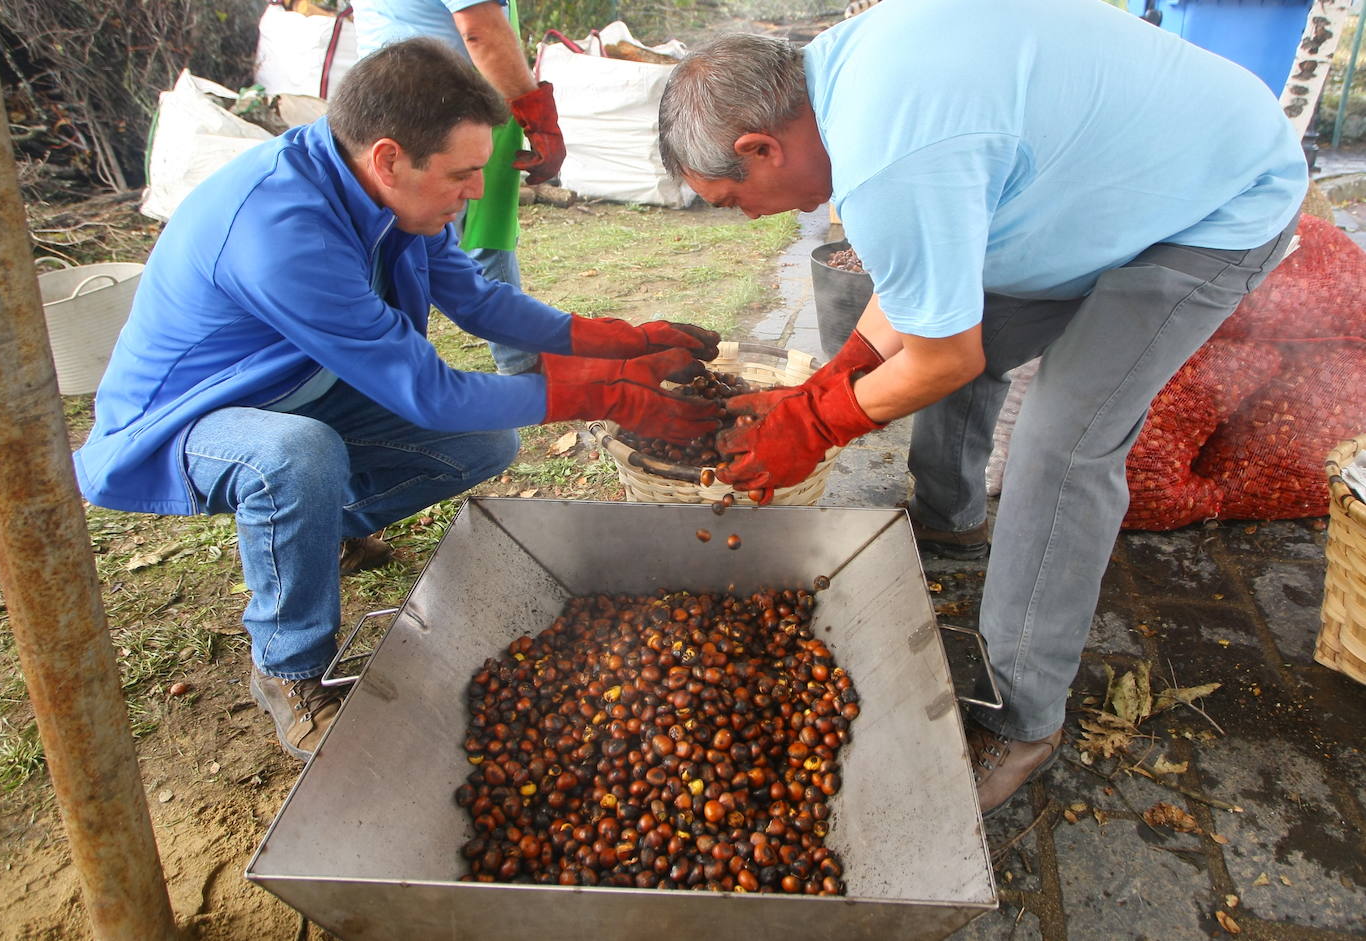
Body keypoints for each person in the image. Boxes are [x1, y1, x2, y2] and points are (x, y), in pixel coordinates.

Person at [658, 0, 1306, 815]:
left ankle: (1024, 717)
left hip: (1217, 202)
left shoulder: (889, 153)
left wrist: (819, 426)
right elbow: (922, 290)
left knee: (1061, 446)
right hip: (1111, 178)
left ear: (761, 147)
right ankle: (950, 517)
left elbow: (943, 354)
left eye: (731, 198)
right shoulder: (839, 78)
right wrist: (828, 385)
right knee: (965, 326)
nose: (749, 217)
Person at [74, 38, 720, 761]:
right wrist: (600, 395)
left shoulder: (387, 194)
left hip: (299, 387)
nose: (476, 192)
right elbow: (431, 393)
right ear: (389, 158)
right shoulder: (281, 231)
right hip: (190, 419)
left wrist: (619, 340)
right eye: (463, 174)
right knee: (295, 457)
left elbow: (479, 301)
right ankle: (287, 670)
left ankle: (316, 531)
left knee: (488, 442)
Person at [355, 0, 564, 376]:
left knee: (426, 247)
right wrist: (538, 116)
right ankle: (393, 379)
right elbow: (479, 29)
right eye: (465, 176)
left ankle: (519, 363)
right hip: (431, 117)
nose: (476, 188)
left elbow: (471, 294)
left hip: (386, 105)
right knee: (427, 250)